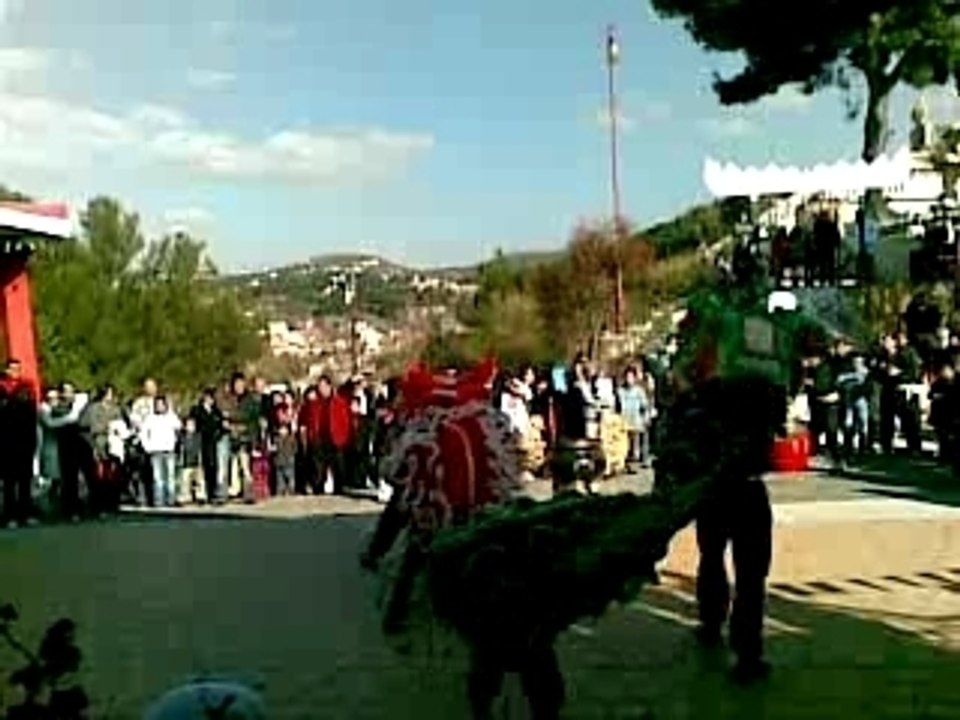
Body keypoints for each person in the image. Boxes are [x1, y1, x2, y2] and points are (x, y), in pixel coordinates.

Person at [0, 359, 39, 527]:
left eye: (18, 368)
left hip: (25, 439)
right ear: (7, 370)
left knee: (25, 479)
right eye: (12, 369)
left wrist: (33, 438)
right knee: (9, 481)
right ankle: (10, 515)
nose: (16, 371)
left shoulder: (26, 387)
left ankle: (26, 513)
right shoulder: (1, 387)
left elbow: (32, 415)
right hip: (6, 440)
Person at [140, 396, 182, 508]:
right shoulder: (150, 418)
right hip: (155, 451)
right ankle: (159, 501)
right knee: (158, 478)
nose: (160, 407)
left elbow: (178, 426)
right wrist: (147, 447)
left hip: (169, 451)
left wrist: (171, 411)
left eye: (162, 404)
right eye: (157, 405)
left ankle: (171, 500)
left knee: (171, 477)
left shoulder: (171, 417)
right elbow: (143, 433)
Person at [192, 389, 225, 504]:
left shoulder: (216, 411)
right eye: (207, 397)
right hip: (201, 442)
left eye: (211, 398)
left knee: (213, 468)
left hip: (213, 443)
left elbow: (222, 425)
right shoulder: (197, 410)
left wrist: (218, 434)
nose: (209, 400)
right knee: (201, 469)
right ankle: (201, 494)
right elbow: (194, 426)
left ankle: (213, 493)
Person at [178, 416, 205, 505]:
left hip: (196, 461)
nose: (191, 427)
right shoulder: (182, 437)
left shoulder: (198, 436)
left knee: (199, 480)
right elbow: (181, 450)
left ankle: (200, 496)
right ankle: (185, 497)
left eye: (192, 425)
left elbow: (200, 450)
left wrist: (200, 461)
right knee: (185, 481)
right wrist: (181, 461)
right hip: (186, 462)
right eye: (189, 425)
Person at [271, 424, 297, 496]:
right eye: (280, 429)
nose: (282, 431)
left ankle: (291, 490)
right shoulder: (276, 439)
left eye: (283, 429)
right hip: (279, 460)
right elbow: (274, 448)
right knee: (280, 477)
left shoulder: (291, 438)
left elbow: (295, 448)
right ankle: (280, 490)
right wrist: (273, 449)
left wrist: (291, 454)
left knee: (290, 476)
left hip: (289, 459)